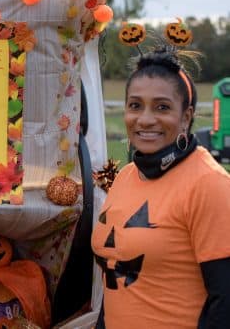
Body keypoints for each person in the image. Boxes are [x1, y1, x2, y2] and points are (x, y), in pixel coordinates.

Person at [91, 47, 230, 328]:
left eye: (162, 107)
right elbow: (116, 279)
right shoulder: (126, 176)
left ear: (186, 116)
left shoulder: (209, 184)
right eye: (135, 105)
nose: (145, 119)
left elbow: (225, 303)